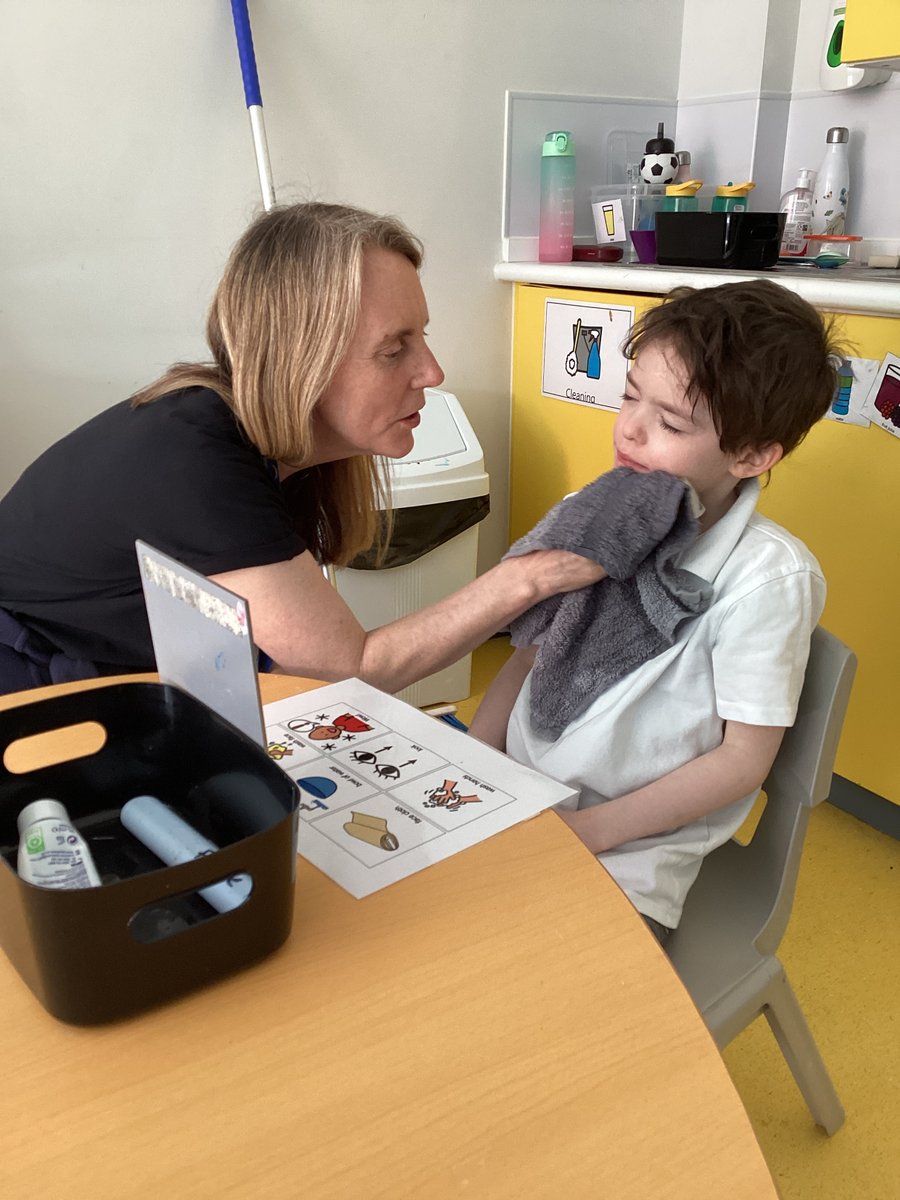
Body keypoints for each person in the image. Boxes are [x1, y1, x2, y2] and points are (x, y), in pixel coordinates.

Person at [0, 202, 604, 694]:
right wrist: (531, 576)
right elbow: (344, 667)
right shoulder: (192, 456)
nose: (433, 371)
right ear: (301, 360)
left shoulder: (262, 447)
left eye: (422, 337)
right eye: (394, 349)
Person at [469, 280, 842, 944]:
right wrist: (476, 762)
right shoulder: (601, 505)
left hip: (624, 851)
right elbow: (530, 651)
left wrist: (582, 835)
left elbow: (741, 764)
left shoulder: (768, 580)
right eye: (628, 397)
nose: (629, 431)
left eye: (670, 423)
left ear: (752, 455)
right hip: (513, 788)